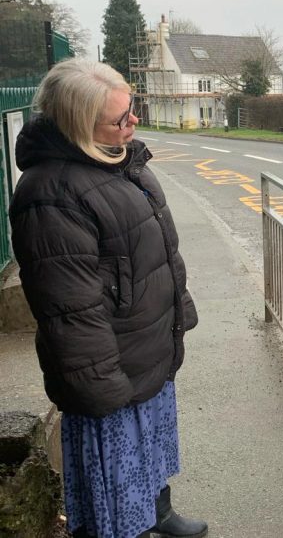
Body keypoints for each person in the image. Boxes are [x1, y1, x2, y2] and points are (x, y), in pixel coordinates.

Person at [9, 58, 208, 538]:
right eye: (121, 118)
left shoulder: (120, 159)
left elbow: (155, 252)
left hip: (145, 346)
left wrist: (176, 314)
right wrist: (103, 387)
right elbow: (69, 310)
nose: (133, 122)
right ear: (80, 125)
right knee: (116, 490)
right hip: (108, 366)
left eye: (131, 109)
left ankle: (156, 512)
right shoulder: (50, 193)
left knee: (151, 451)